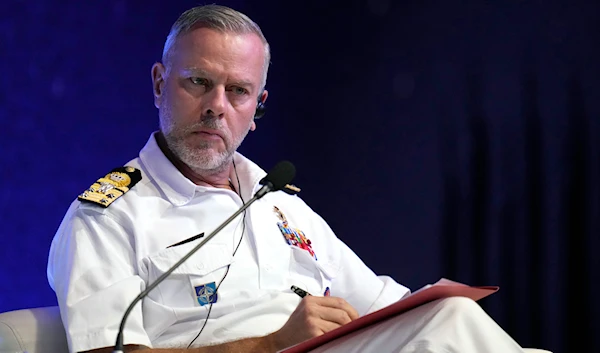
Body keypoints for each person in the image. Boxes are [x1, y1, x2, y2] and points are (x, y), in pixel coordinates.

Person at [47, 4, 528, 353]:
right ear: (158, 83)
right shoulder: (106, 218)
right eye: (198, 82)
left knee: (445, 315)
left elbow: (387, 307)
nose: (217, 105)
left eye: (238, 91)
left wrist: (422, 302)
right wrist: (273, 344)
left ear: (257, 108)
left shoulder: (279, 203)